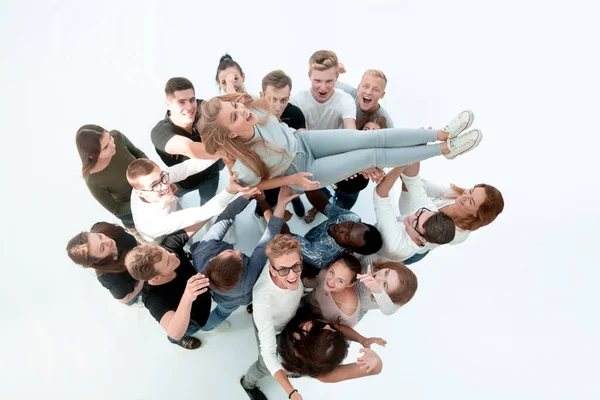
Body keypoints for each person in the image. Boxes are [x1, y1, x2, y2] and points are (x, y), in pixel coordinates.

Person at [198, 93, 483, 193]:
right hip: (305, 171)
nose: (242, 110)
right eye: (235, 116)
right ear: (231, 134)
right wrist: (292, 179)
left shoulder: (256, 111)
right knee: (371, 154)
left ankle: (441, 134)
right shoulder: (245, 165)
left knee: (370, 137)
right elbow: (257, 184)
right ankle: (443, 150)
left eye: (236, 105)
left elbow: (274, 122)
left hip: (304, 140)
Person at [192, 186, 298, 331]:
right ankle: (206, 327)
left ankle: (206, 327)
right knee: (223, 312)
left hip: (219, 297)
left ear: (212, 259)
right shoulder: (248, 279)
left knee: (221, 312)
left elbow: (226, 216)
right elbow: (268, 238)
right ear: (242, 274)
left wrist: (245, 196)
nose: (239, 251)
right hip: (237, 300)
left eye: (231, 252)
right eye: (240, 258)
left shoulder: (202, 252)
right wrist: (281, 204)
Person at [125, 221, 210, 350]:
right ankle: (178, 342)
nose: (174, 256)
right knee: (178, 337)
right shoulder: (153, 299)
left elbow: (200, 218)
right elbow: (174, 332)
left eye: (166, 253)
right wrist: (187, 296)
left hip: (204, 300)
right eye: (168, 262)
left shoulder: (168, 249)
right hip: (192, 322)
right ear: (156, 278)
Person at [240, 234, 305, 400]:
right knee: (264, 365)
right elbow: (268, 353)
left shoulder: (281, 262)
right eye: (283, 270)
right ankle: (247, 384)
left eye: (296, 266)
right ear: (271, 270)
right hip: (273, 326)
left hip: (287, 321)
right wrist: (292, 392)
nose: (292, 276)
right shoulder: (264, 302)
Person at [126, 158, 244, 244]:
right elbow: (203, 212)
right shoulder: (154, 223)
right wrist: (231, 190)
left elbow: (187, 168)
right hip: (161, 238)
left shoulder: (150, 181)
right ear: (140, 193)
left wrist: (218, 153)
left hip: (172, 211)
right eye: (155, 185)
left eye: (162, 177)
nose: (164, 186)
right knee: (185, 242)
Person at [398, 161, 505, 250]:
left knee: (410, 181)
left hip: (413, 246)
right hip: (410, 217)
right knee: (409, 181)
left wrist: (410, 177)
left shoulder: (458, 233)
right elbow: (423, 184)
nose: (465, 196)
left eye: (471, 202)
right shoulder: (455, 195)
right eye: (471, 190)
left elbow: (419, 195)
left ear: (476, 215)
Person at [151, 77, 224, 207]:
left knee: (208, 205)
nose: (189, 107)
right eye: (181, 102)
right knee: (175, 201)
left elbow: (228, 111)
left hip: (210, 175)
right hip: (182, 184)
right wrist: (226, 151)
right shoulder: (160, 132)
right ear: (168, 104)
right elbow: (188, 148)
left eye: (192, 100)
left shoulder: (203, 108)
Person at [304, 113, 390, 223]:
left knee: (339, 214)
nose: (370, 134)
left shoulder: (381, 155)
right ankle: (315, 209)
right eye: (366, 129)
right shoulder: (346, 143)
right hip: (330, 182)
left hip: (351, 192)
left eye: (375, 131)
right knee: (320, 199)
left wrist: (379, 176)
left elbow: (381, 172)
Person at [372, 165, 457, 263]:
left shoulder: (396, 246)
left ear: (422, 239)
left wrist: (400, 166)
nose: (411, 216)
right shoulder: (428, 214)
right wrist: (411, 155)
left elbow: (380, 196)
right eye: (420, 212)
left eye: (415, 222)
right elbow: (413, 181)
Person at [277, 307, 387, 382]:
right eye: (332, 329)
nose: (328, 325)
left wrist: (376, 363)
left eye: (319, 328)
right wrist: (363, 340)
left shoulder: (320, 373)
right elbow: (339, 328)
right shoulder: (316, 329)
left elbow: (375, 369)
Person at [76, 124, 147, 228]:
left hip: (153, 189)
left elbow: (138, 153)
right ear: (92, 155)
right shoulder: (92, 180)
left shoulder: (117, 136)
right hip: (134, 214)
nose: (112, 145)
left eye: (109, 138)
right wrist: (144, 198)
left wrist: (156, 176)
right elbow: (117, 209)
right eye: (105, 147)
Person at [292, 189, 383, 269]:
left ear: (349, 250)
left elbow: (285, 237)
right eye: (350, 225)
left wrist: (280, 211)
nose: (341, 228)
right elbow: (321, 203)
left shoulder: (320, 256)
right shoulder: (352, 217)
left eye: (347, 236)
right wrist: (305, 184)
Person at [66, 222, 142, 305]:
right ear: (98, 260)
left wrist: (142, 248)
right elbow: (125, 299)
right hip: (136, 287)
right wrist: (144, 277)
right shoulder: (110, 278)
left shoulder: (101, 227)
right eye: (102, 248)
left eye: (100, 236)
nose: (108, 241)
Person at [290, 50, 357, 130]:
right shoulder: (297, 100)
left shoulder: (345, 100)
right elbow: (302, 137)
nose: (323, 88)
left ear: (337, 77)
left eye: (329, 81)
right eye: (318, 81)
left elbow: (351, 133)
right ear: (309, 76)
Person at [303, 254, 362, 327]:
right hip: (303, 305)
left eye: (340, 281)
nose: (330, 282)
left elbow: (340, 334)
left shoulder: (348, 310)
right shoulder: (324, 273)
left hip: (313, 327)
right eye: (332, 272)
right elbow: (312, 282)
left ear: (350, 284)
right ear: (330, 265)